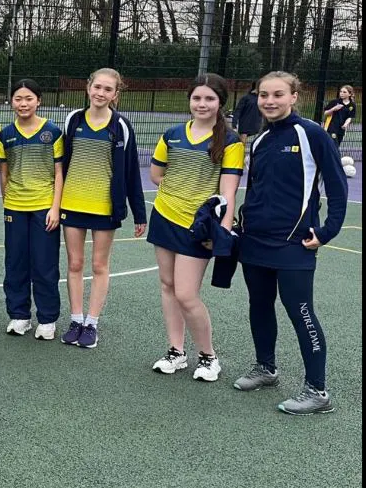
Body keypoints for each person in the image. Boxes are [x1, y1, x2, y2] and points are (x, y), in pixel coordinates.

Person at [234, 71, 348, 414]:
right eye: (264, 95)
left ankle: (317, 391)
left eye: (278, 94)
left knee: (300, 311)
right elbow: (255, 190)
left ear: (294, 97)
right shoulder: (259, 140)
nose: (269, 101)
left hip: (294, 243)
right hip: (255, 241)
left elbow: (337, 186)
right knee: (259, 304)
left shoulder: (311, 133)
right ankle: (265, 368)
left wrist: (327, 231)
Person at [146, 73, 243, 381]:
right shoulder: (172, 135)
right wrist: (178, 189)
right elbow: (156, 175)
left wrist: (221, 231)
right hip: (164, 217)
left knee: (187, 294)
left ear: (220, 102)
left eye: (209, 99)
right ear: (189, 100)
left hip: (197, 227)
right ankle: (176, 352)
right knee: (167, 286)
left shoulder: (231, 142)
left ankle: (208, 356)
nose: (202, 104)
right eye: (197, 98)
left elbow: (228, 193)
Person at [59, 68, 148, 349]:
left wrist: (139, 213)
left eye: (108, 89)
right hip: (72, 203)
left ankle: (91, 324)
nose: (101, 93)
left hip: (104, 207)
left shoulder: (121, 126)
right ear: (88, 88)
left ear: (115, 94)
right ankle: (75, 320)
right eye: (97, 87)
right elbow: (61, 164)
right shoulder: (73, 120)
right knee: (74, 264)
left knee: (99, 265)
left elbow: (131, 171)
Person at [0, 79, 64, 340]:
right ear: (11, 102)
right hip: (15, 207)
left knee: (45, 264)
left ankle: (47, 318)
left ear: (38, 101)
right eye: (18, 99)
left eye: (28, 98)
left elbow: (59, 173)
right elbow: (4, 174)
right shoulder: (5, 135)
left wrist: (55, 208)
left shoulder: (53, 132)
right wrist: (8, 203)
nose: (23, 104)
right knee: (15, 263)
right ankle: (19, 315)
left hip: (44, 207)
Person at [233, 83, 262, 147]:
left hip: (257, 125)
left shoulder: (261, 99)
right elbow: (238, 110)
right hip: (245, 125)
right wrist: (234, 123)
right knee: (242, 144)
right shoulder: (246, 98)